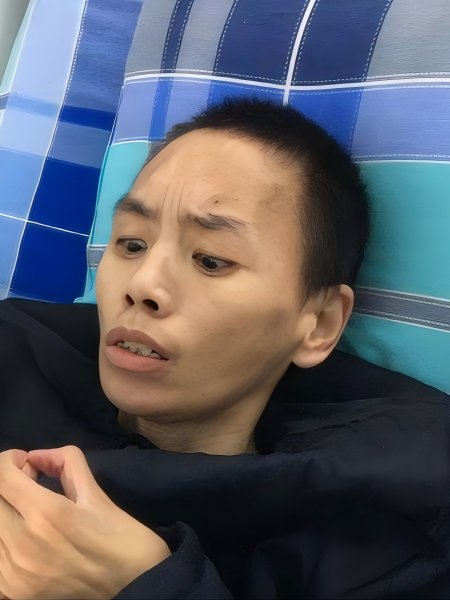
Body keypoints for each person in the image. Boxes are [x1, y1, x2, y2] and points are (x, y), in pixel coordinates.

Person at [0, 96, 449, 599]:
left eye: (211, 260)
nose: (142, 284)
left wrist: (147, 586)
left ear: (319, 323)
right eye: (131, 244)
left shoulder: (387, 526)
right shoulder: (16, 351)